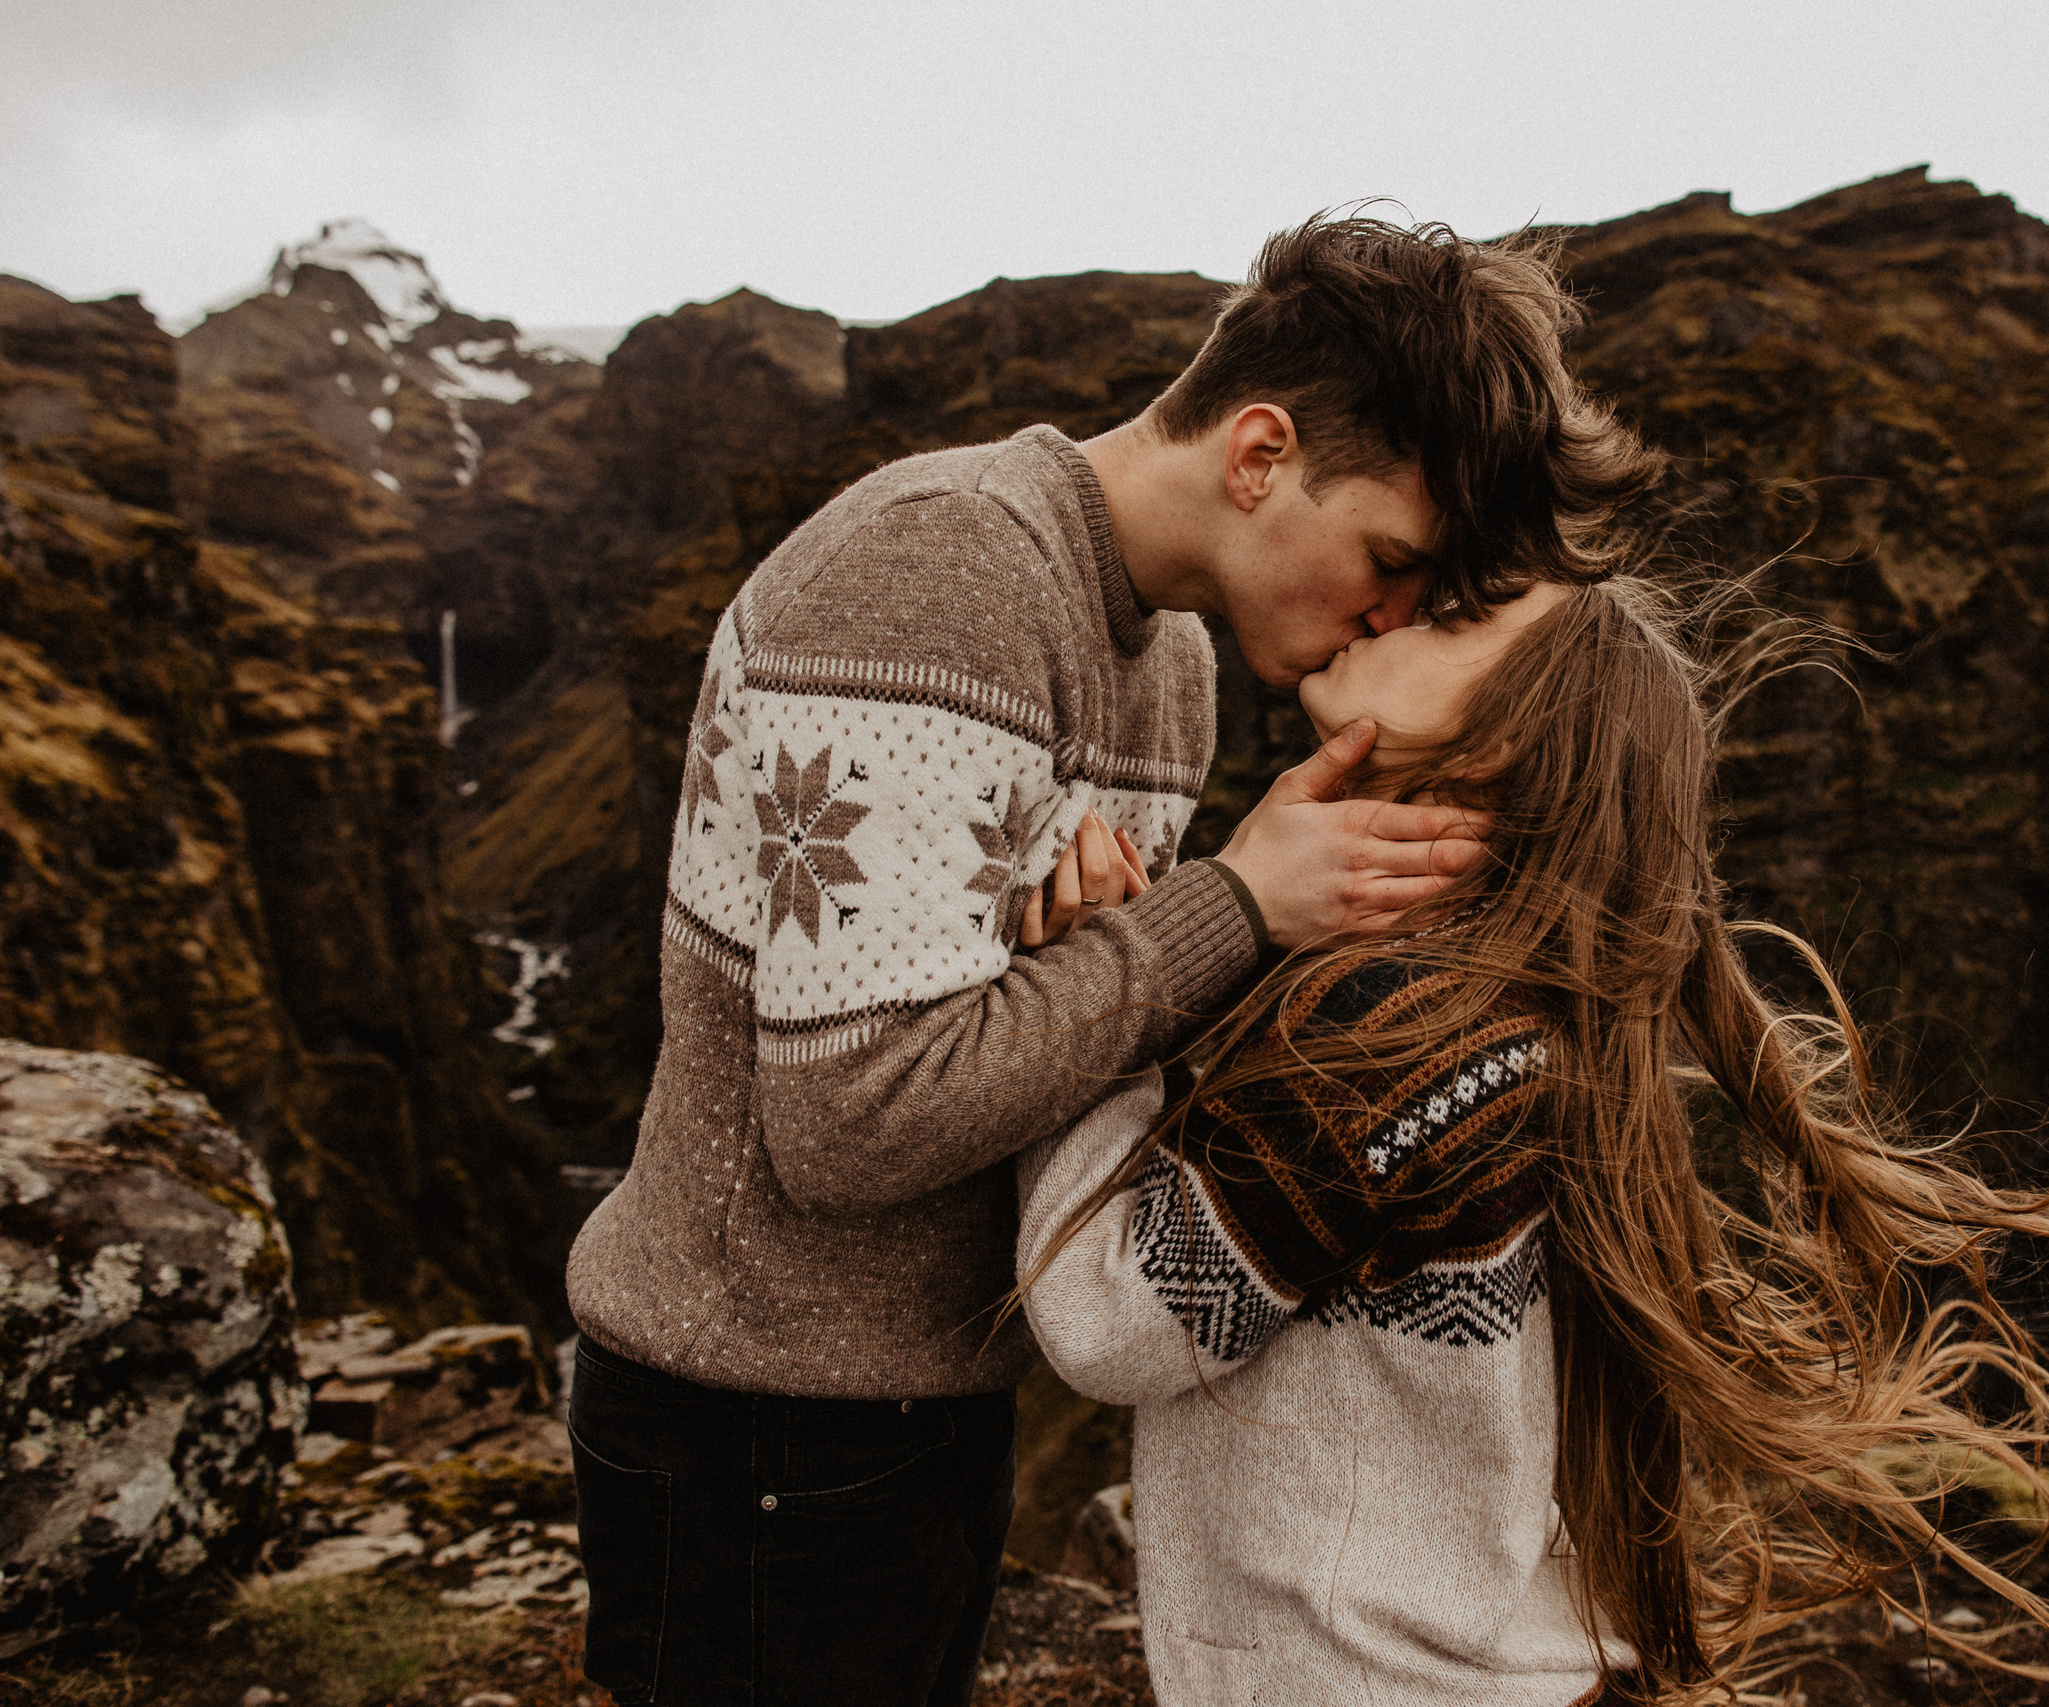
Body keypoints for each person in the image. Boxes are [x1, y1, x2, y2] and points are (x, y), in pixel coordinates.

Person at [560, 214, 1662, 1706]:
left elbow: (1063, 1021)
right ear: (1261, 455)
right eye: (1391, 557)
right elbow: (847, 1123)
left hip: (925, 1396)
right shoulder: (942, 571)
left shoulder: (1179, 667)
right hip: (755, 1405)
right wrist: (1228, 909)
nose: (1391, 611)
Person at [1013, 577, 2049, 1705]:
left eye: (1449, 613)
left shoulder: (1385, 1034)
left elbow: (1103, 1320)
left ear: (1506, 744)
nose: (1385, 605)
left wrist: (1100, 998)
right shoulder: (1516, 1019)